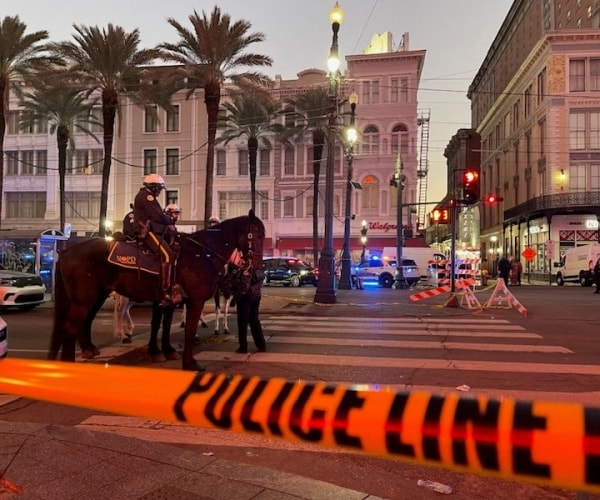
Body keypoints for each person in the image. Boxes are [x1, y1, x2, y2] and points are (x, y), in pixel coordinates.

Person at [133, 174, 180, 306]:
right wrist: (170, 220)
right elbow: (157, 216)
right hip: (145, 231)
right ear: (153, 187)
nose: (159, 191)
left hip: (150, 229)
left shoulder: (147, 196)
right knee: (167, 254)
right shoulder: (146, 196)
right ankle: (164, 292)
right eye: (159, 188)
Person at [235, 267, 266, 354]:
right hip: (256, 295)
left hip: (245, 297)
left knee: (242, 323)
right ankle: (261, 344)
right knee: (254, 321)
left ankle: (243, 347)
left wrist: (235, 299)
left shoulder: (247, 269)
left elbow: (244, 286)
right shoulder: (259, 269)